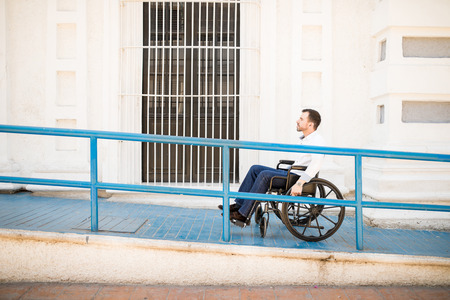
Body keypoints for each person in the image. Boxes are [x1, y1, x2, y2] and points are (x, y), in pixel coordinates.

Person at [219, 108, 326, 226]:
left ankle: (244, 215)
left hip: (296, 178)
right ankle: (239, 205)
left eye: (301, 119)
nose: (297, 121)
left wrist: (300, 183)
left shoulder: (317, 140)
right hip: (292, 173)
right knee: (255, 169)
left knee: (264, 176)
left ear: (310, 124)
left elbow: (316, 163)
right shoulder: (307, 139)